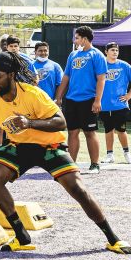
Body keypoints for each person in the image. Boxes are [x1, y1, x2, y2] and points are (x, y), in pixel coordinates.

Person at [0, 52, 131, 255]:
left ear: (11, 75)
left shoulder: (33, 94)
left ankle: (112, 238)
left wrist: (29, 122)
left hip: (49, 146)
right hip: (19, 146)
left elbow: (61, 122)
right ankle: (21, 236)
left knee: (78, 190)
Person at [53, 25, 107, 173]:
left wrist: (97, 100)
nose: (74, 40)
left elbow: (101, 79)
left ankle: (95, 164)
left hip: (88, 99)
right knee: (72, 132)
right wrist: (59, 97)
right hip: (71, 100)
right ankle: (71, 164)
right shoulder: (73, 55)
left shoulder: (97, 55)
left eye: (76, 38)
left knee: (90, 132)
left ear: (84, 38)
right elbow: (66, 77)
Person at [99, 42, 131, 164]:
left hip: (120, 105)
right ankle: (110, 155)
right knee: (108, 130)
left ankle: (127, 154)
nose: (115, 52)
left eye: (117, 50)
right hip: (104, 105)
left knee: (121, 130)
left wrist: (129, 95)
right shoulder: (101, 66)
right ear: (106, 51)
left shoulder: (124, 65)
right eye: (112, 50)